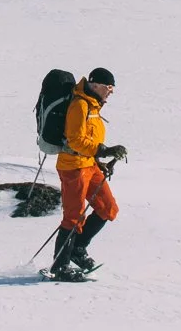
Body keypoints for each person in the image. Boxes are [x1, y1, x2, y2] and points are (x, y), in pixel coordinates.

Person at [51, 67, 127, 281]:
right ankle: (60, 267)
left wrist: (99, 161)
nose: (110, 92)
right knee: (74, 217)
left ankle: (76, 249)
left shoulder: (93, 106)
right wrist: (104, 150)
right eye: (108, 87)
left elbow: (89, 140)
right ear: (95, 85)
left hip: (88, 164)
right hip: (72, 166)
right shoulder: (80, 105)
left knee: (108, 208)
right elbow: (75, 140)